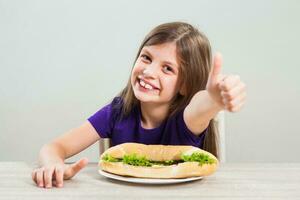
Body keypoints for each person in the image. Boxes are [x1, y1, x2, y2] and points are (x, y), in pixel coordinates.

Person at [31, 22, 246, 188]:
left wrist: (214, 99)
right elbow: (53, 148)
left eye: (167, 69)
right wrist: (52, 164)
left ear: (186, 86)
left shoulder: (186, 120)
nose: (149, 72)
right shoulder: (118, 111)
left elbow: (201, 107)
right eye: (146, 57)